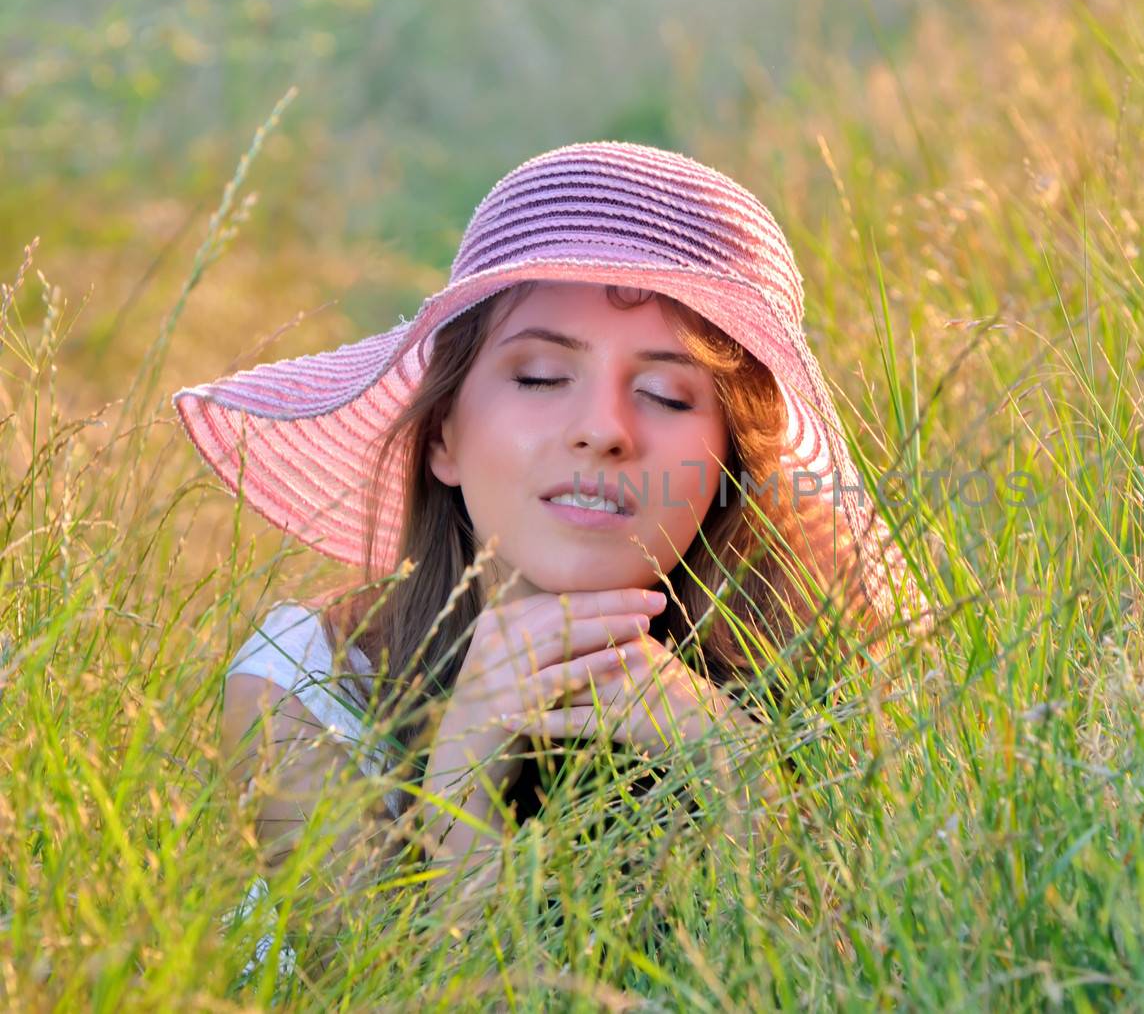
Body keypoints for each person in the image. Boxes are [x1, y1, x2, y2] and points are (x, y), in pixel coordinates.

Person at [176, 141, 932, 980]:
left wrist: (735, 773)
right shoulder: (307, 688)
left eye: (667, 394)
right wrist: (462, 791)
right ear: (444, 438)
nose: (602, 429)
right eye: (539, 376)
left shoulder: (832, 677)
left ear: (730, 468)